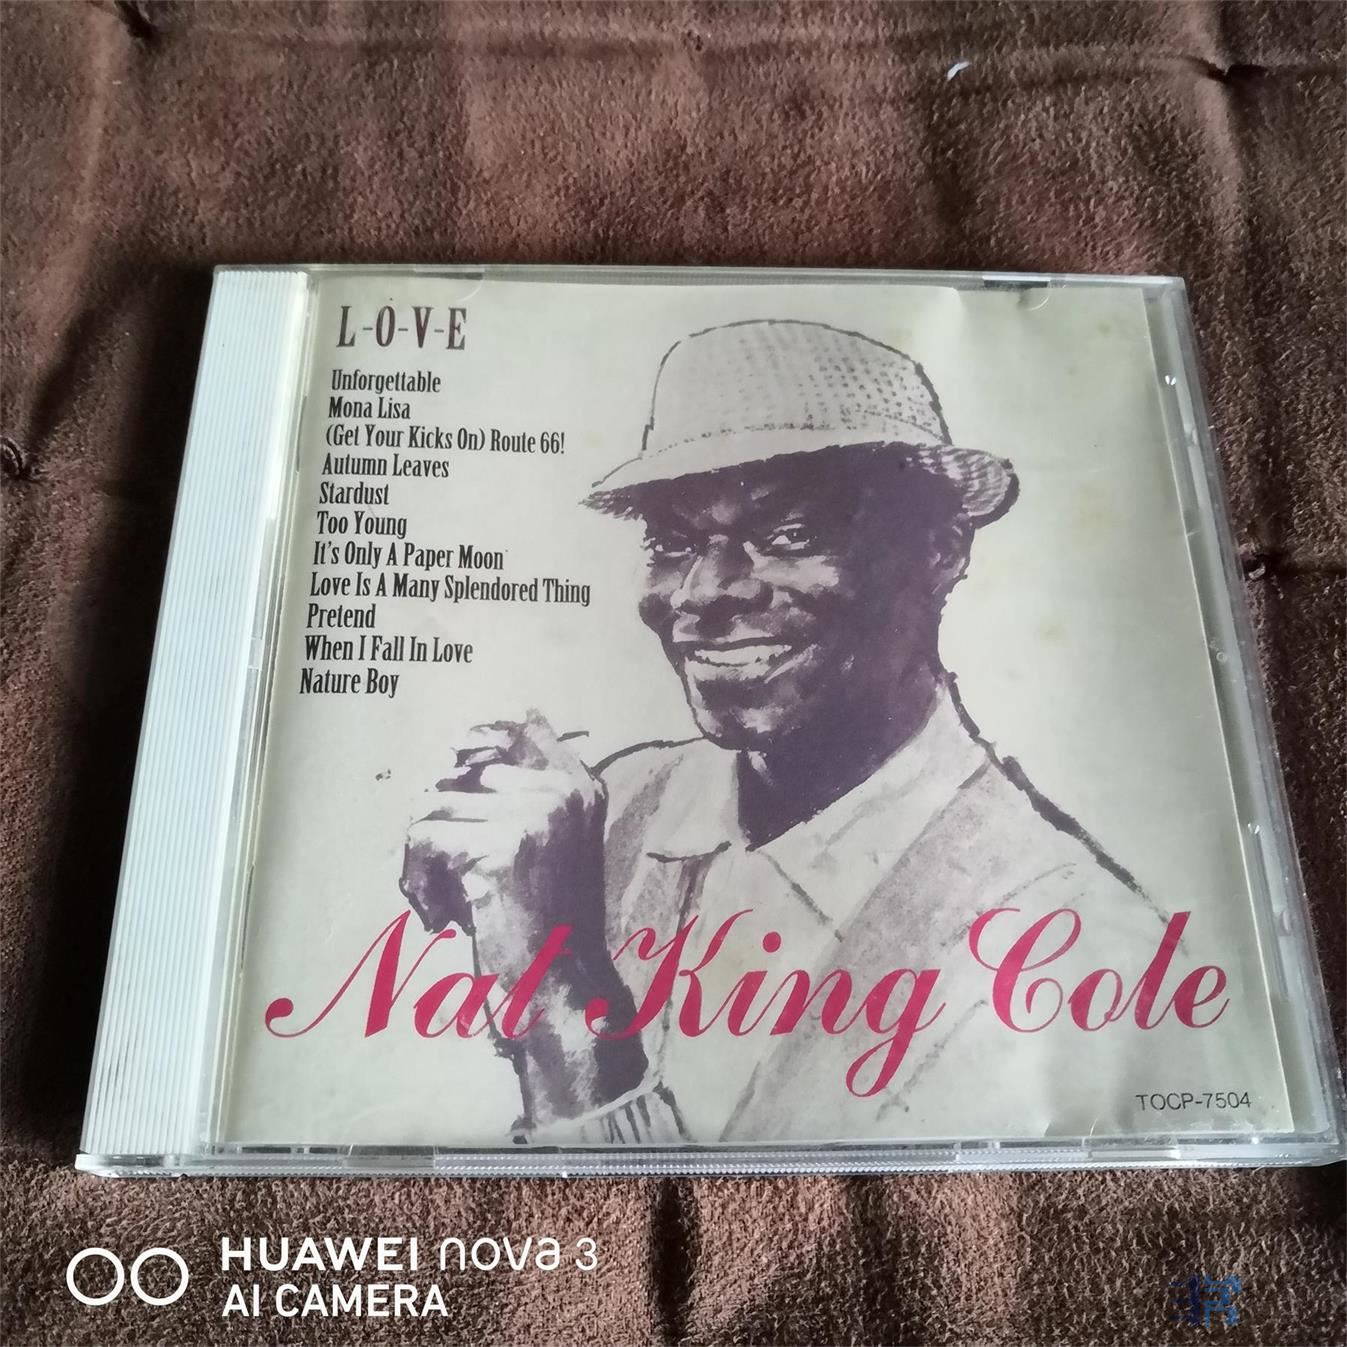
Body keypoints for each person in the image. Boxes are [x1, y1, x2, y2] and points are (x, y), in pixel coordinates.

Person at [400, 320, 1161, 1144]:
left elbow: (665, 1215)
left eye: (791, 534)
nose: (702, 592)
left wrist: (556, 994)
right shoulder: (613, 809)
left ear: (940, 552)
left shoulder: (1075, 943)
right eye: (673, 541)